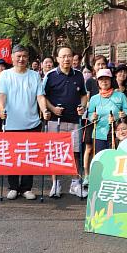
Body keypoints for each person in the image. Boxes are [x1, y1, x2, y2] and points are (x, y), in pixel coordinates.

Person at [39, 46, 88, 198]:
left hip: (74, 120)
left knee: (75, 153)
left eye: (69, 56)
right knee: (55, 153)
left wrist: (83, 107)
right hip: (55, 121)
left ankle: (75, 184)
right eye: (63, 56)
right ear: (58, 59)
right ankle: (56, 183)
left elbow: (84, 95)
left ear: (73, 58)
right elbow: (42, 96)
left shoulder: (79, 75)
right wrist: (52, 109)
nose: (66, 59)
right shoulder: (50, 75)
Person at [0, 45, 43, 200]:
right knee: (12, 156)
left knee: (29, 157)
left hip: (32, 123)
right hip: (11, 123)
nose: (21, 59)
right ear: (12, 57)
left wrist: (45, 110)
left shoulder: (34, 75)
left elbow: (40, 96)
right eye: (18, 56)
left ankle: (26, 188)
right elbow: (2, 94)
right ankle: (13, 187)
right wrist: (2, 108)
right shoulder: (5, 75)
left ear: (28, 57)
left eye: (24, 56)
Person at [86, 69, 127, 153]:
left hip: (117, 134)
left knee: (115, 158)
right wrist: (92, 117)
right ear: (98, 82)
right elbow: (89, 114)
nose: (104, 81)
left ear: (111, 80)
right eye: (101, 79)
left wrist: (123, 115)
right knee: (101, 159)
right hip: (99, 134)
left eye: (107, 79)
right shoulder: (94, 98)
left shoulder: (120, 96)